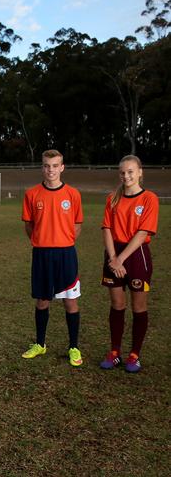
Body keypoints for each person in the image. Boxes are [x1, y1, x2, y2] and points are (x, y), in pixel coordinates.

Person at [21, 149, 84, 367]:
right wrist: (43, 240)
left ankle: (74, 347)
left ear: (62, 167)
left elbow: (77, 225)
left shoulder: (73, 194)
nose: (51, 170)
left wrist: (62, 241)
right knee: (42, 300)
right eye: (47, 166)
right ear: (42, 167)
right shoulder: (32, 194)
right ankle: (40, 343)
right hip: (42, 254)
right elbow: (29, 226)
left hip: (66, 254)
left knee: (70, 301)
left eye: (55, 166)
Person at [99, 155, 159, 373]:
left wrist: (120, 259)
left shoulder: (149, 199)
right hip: (113, 254)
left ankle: (134, 355)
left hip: (136, 256)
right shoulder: (112, 199)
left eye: (131, 171)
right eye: (123, 172)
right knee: (117, 304)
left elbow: (143, 233)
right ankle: (115, 352)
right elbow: (106, 228)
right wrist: (113, 257)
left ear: (140, 172)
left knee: (138, 306)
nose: (126, 176)